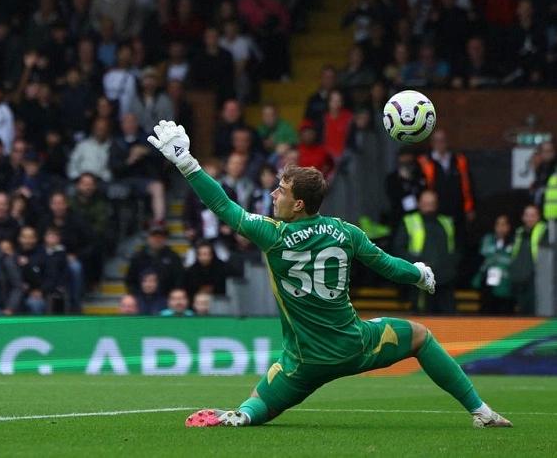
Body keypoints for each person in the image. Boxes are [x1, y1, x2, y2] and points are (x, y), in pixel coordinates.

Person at [146, 120, 510, 428]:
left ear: (299, 204)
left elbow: (223, 206)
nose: (274, 195)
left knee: (257, 403)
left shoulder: (273, 235)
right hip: (356, 345)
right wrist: (418, 275)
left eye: (282, 191)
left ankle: (242, 416)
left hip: (304, 362)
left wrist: (187, 163)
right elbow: (386, 265)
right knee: (419, 336)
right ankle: (481, 410)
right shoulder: (346, 232)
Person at [473, 215, 514, 315]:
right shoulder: (488, 239)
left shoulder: (515, 241)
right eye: (498, 224)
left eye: (503, 224)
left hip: (507, 286)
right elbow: (484, 254)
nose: (500, 228)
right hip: (488, 285)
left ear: (508, 227)